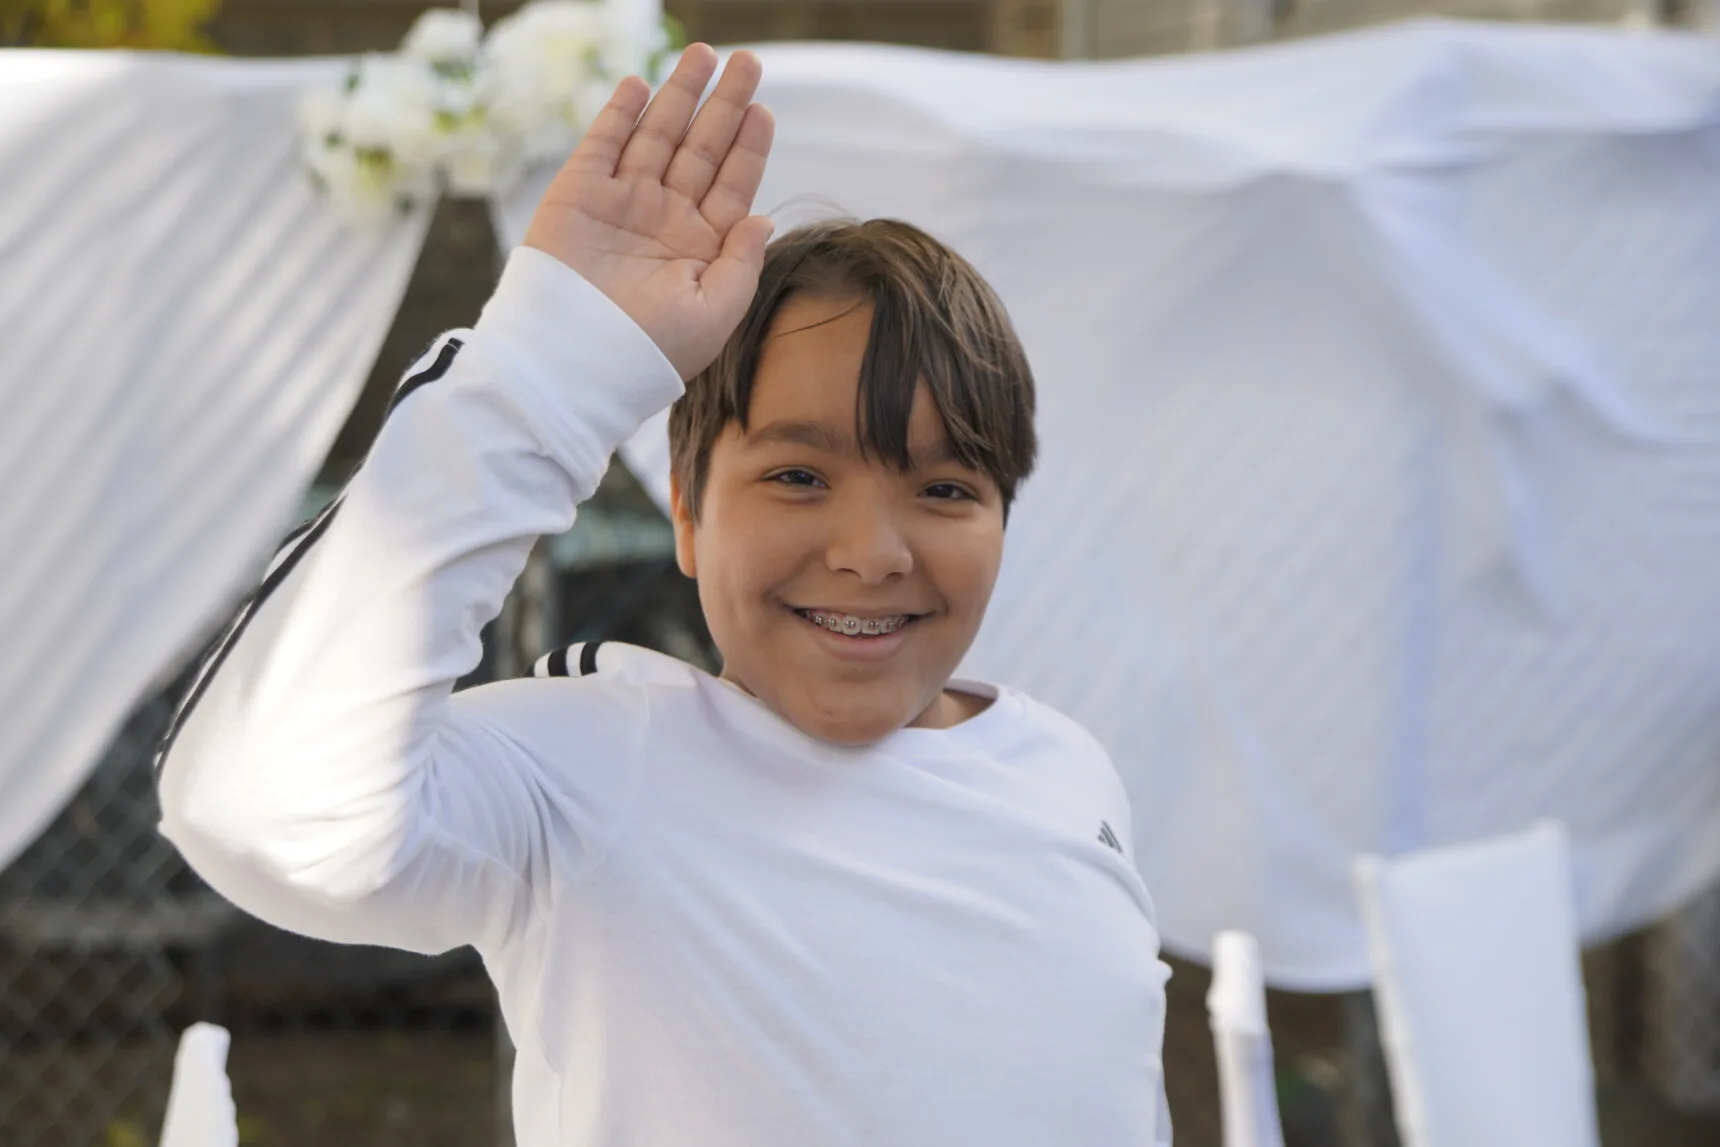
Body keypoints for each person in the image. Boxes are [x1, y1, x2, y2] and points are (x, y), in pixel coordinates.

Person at [156, 43, 1172, 1147]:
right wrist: (543, 375)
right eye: (797, 475)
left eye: (942, 487)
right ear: (684, 510)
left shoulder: (1068, 771)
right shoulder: (590, 770)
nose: (873, 551)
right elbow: (268, 816)